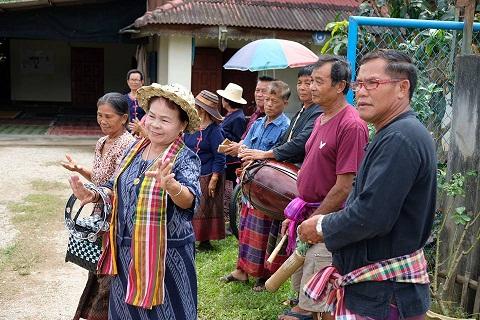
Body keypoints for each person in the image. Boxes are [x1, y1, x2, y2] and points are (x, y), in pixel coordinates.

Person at [298, 50, 436, 320]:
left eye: (372, 83)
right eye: (358, 84)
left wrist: (322, 225)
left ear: (402, 88)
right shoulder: (393, 133)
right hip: (377, 290)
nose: (360, 92)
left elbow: (372, 216)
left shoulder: (400, 138)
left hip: (385, 295)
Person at [68, 83, 202, 320]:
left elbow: (190, 201)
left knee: (165, 313)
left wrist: (172, 187)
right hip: (125, 252)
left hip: (166, 257)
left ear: (182, 125)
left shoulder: (185, 158)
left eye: (165, 120)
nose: (155, 124)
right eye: (151, 116)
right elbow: (113, 186)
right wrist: (94, 194)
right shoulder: (133, 149)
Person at [279, 56, 369, 320]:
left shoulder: (351, 125)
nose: (311, 87)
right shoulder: (320, 119)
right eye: (309, 81)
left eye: (318, 81)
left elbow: (344, 187)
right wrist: (296, 214)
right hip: (309, 217)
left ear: (340, 86)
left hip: (328, 224)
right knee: (308, 294)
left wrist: (314, 221)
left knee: (323, 300)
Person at [239, 66, 322, 279]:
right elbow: (288, 141)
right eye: (301, 83)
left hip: (294, 180)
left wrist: (266, 154)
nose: (306, 88)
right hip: (280, 175)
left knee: (278, 231)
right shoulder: (302, 112)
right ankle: (247, 269)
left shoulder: (318, 112)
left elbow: (299, 143)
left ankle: (267, 274)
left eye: (310, 82)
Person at [61, 92, 136, 320]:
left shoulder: (128, 145)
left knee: (109, 273)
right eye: (99, 115)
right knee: (98, 268)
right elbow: (103, 178)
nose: (102, 120)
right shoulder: (103, 141)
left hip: (116, 218)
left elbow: (120, 186)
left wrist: (96, 196)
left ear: (123, 118)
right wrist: (80, 170)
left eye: (108, 116)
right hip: (99, 214)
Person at [221, 80, 291, 291]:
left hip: (267, 186)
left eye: (274, 100)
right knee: (245, 227)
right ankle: (241, 270)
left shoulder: (285, 127)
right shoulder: (258, 123)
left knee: (265, 231)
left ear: (285, 103)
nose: (268, 104)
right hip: (249, 183)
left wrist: (252, 156)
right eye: (266, 99)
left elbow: (280, 157)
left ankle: (263, 276)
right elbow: (246, 146)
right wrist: (235, 148)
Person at [184, 90, 226, 251]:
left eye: (196, 106)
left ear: (202, 110)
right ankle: (191, 236)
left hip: (208, 173)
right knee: (191, 205)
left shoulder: (215, 131)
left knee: (204, 207)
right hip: (191, 172)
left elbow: (220, 156)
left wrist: (214, 178)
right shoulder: (192, 126)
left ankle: (204, 240)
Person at [217, 82, 247, 186]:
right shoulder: (231, 114)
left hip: (232, 160)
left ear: (227, 101)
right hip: (227, 157)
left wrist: (222, 132)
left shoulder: (238, 117)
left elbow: (239, 138)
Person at [125, 69, 146, 136]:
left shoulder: (147, 98)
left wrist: (140, 126)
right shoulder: (123, 99)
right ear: (128, 82)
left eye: (137, 80)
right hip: (126, 133)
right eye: (132, 80)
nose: (134, 82)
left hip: (143, 133)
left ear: (142, 82)